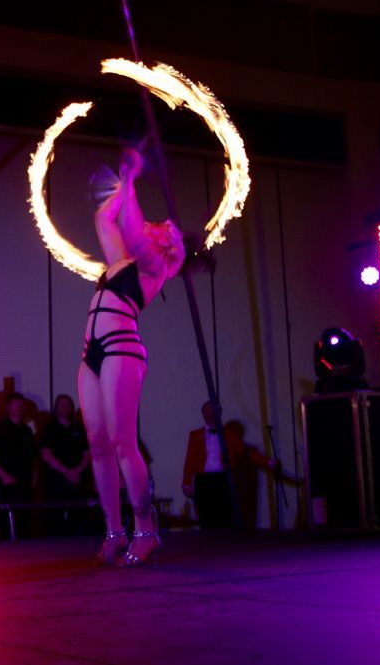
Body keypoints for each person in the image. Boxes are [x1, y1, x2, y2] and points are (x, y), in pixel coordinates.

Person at [79, 147, 208, 566]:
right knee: (98, 446)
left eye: (158, 227)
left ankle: (146, 529)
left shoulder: (154, 267)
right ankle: (114, 531)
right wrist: (121, 185)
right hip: (92, 354)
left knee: (121, 443)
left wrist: (131, 182)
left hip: (121, 350)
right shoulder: (120, 263)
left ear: (168, 245)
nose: (150, 228)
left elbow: (133, 231)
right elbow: (104, 220)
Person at [182, 400, 281, 529]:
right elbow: (189, 460)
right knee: (205, 517)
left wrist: (269, 462)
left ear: (219, 414)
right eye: (207, 412)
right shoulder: (195, 435)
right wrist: (186, 482)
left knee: (224, 516)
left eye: (213, 412)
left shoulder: (229, 434)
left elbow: (247, 453)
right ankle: (207, 546)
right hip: (203, 480)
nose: (210, 415)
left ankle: (225, 546)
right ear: (203, 414)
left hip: (222, 479)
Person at [0, 392, 38, 539]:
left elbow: (33, 458)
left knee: (25, 524)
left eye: (22, 404)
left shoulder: (27, 430)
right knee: (7, 524)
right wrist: (4, 476)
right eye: (16, 404)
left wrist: (34, 478)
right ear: (7, 407)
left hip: (25, 484)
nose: (19, 407)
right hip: (7, 485)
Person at [38, 393, 92, 535]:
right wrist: (66, 472)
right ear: (56, 408)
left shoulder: (79, 429)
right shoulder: (49, 429)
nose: (65, 407)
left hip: (77, 479)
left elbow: (87, 454)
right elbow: (46, 455)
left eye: (68, 404)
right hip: (56, 480)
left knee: (78, 517)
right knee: (55, 519)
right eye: (62, 404)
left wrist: (78, 470)